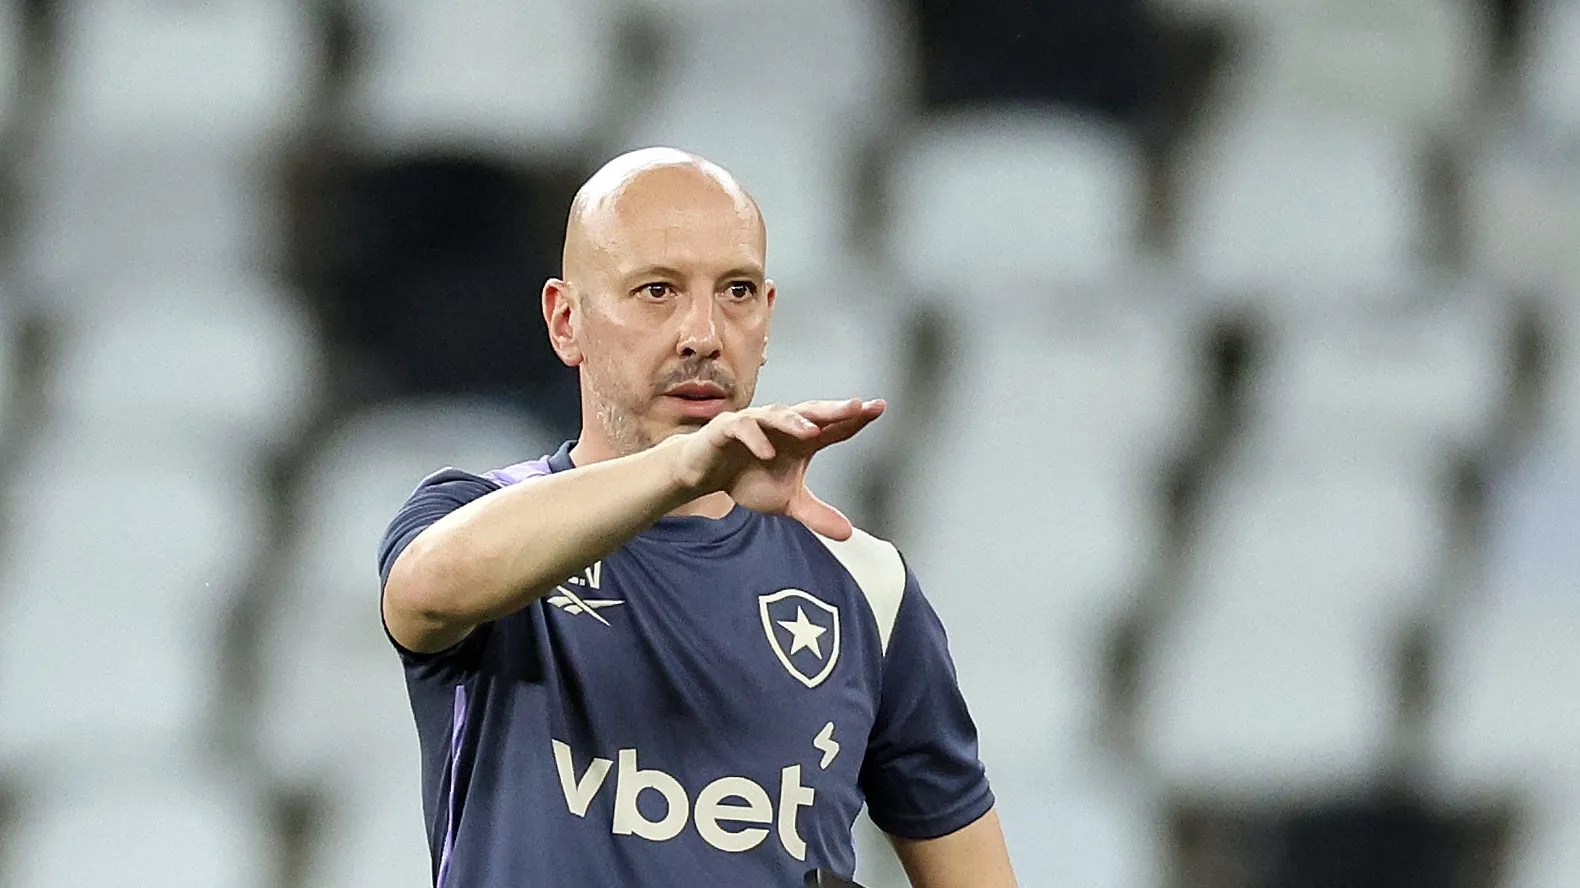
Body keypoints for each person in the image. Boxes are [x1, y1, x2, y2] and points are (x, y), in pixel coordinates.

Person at [378, 148, 1018, 887]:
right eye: (657, 291)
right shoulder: (473, 517)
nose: (704, 333)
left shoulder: (866, 587)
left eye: (737, 291)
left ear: (768, 318)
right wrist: (682, 467)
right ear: (565, 321)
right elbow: (427, 591)